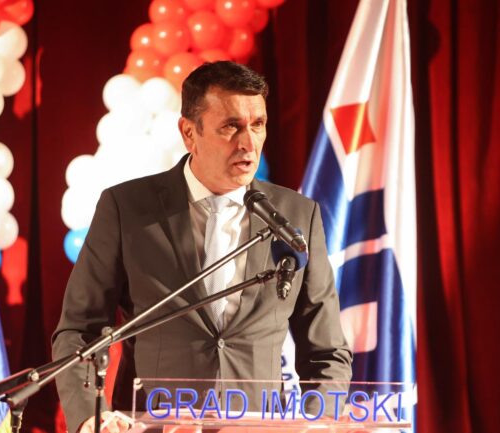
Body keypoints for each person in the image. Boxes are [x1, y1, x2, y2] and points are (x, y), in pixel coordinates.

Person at [52, 61, 352, 433]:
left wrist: (318, 421)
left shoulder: (297, 215)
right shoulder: (128, 209)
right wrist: (91, 415)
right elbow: (79, 331)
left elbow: (327, 350)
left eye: (258, 124)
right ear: (189, 133)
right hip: (154, 426)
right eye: (231, 126)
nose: (248, 143)